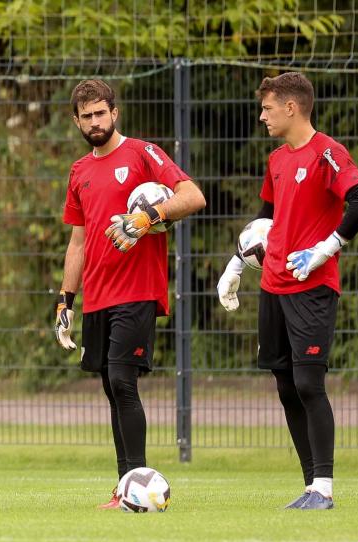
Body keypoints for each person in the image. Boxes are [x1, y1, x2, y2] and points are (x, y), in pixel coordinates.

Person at [216, 72, 358, 510]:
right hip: (273, 286)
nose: (262, 115)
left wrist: (327, 249)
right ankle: (310, 487)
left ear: (291, 107)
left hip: (311, 286)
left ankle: (324, 486)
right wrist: (236, 264)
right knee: (285, 385)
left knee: (308, 383)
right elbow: (267, 219)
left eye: (267, 107)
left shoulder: (328, 152)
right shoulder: (277, 160)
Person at [54, 80, 206, 509]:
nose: (95, 121)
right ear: (77, 121)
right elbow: (78, 242)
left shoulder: (143, 153)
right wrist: (66, 299)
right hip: (97, 296)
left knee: (123, 381)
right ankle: (124, 488)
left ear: (115, 113)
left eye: (101, 113)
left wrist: (146, 218)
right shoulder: (80, 170)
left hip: (137, 290)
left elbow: (192, 196)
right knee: (110, 387)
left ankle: (136, 489)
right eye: (87, 116)